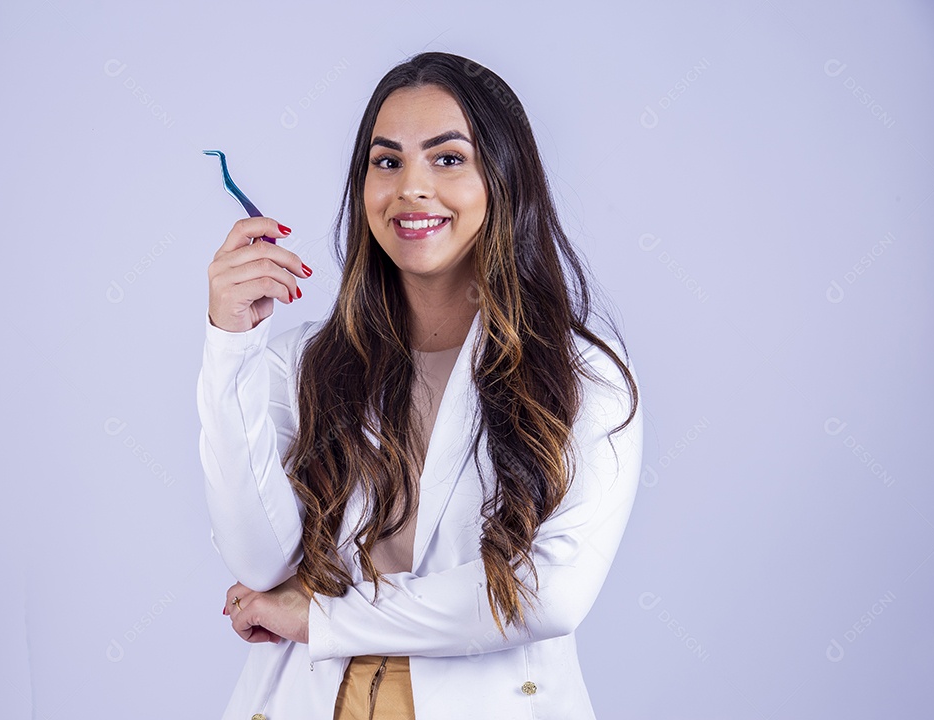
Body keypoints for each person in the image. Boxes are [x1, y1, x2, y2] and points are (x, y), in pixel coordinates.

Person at [197, 51, 643, 720]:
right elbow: (260, 562)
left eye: (448, 158)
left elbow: (544, 595)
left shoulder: (581, 377)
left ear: (504, 178)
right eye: (387, 161)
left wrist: (325, 618)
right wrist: (231, 344)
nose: (411, 188)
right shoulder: (301, 363)